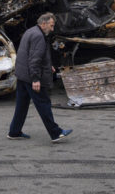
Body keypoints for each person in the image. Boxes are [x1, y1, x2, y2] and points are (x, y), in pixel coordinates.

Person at [7, 12, 73, 143]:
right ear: (44, 24)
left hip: (22, 75)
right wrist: (36, 79)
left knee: (22, 105)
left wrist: (49, 66)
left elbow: (31, 55)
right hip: (31, 77)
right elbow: (34, 60)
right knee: (44, 104)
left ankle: (14, 132)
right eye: (51, 25)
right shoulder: (38, 36)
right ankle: (56, 133)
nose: (52, 29)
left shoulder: (31, 31)